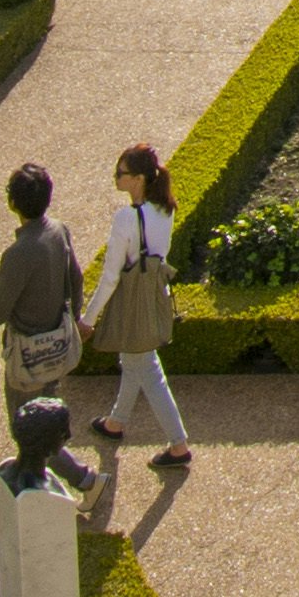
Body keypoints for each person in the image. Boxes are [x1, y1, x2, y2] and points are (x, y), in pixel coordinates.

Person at [91, 140, 193, 471]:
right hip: (155, 292)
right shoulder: (167, 208)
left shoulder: (125, 219)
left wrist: (88, 319)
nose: (115, 178)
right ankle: (115, 423)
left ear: (137, 179)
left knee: (146, 368)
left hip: (132, 298)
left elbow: (110, 277)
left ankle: (178, 445)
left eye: (120, 173)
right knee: (136, 359)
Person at [0, 162, 85, 407]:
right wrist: (74, 319)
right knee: (52, 419)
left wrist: (1, 280)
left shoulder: (17, 254)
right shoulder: (59, 230)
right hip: (58, 346)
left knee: (26, 428)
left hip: (28, 358)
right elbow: (76, 278)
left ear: (13, 204)